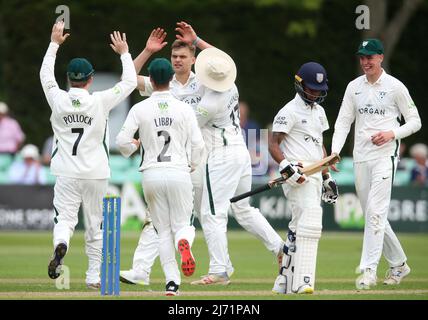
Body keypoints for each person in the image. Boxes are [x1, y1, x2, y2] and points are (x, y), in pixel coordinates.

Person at [119, 22, 284, 286]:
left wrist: (196, 41)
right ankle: (280, 248)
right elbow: (127, 80)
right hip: (204, 158)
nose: (177, 60)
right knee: (236, 209)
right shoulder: (163, 83)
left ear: (194, 60)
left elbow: (219, 68)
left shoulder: (208, 83)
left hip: (207, 157)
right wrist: (148, 51)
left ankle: (219, 268)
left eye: (183, 56)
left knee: (203, 214)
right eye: (174, 56)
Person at [40, 21, 137, 288]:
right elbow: (129, 82)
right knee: (95, 226)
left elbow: (45, 75)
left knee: (65, 220)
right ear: (90, 79)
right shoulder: (100, 100)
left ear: (70, 78)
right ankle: (94, 276)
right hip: (95, 173)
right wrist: (124, 52)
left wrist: (54, 44)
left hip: (66, 171)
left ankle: (61, 244)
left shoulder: (57, 98)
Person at [331, 39, 421, 289]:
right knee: (373, 214)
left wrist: (392, 133)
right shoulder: (354, 87)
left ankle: (368, 270)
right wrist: (335, 152)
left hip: (385, 157)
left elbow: (415, 122)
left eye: (370, 57)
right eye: (362, 57)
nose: (365, 62)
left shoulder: (395, 87)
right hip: (361, 157)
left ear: (381, 57)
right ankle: (399, 264)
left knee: (376, 213)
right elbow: (343, 122)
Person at [116, 58, 204, 296]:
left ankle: (172, 283)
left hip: (152, 174)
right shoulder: (184, 109)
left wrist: (133, 146)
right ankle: (183, 244)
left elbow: (121, 142)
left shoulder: (140, 108)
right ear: (170, 80)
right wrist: (192, 164)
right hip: (179, 171)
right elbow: (198, 144)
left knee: (162, 231)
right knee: (182, 226)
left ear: (152, 81)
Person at [269, 62, 337, 294]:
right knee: (310, 221)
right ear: (299, 85)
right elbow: (273, 143)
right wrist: (286, 166)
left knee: (298, 225)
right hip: (297, 174)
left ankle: (284, 282)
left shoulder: (319, 112)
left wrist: (326, 176)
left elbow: (320, 145)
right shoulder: (288, 111)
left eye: (319, 89)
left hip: (315, 173)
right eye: (311, 88)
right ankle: (303, 281)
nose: (316, 93)